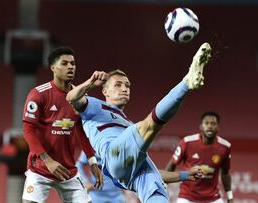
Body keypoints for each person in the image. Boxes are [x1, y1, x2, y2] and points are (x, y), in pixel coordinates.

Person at [66, 42, 212, 203]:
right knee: (149, 125)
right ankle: (187, 83)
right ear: (105, 91)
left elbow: (155, 172)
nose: (124, 89)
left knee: (156, 187)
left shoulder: (129, 125)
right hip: (112, 154)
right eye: (118, 85)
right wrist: (90, 83)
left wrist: (185, 175)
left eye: (127, 85)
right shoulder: (95, 106)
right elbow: (71, 98)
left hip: (128, 176)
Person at [22, 47, 103, 203]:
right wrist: (48, 160)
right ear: (53, 68)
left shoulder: (81, 97)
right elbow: (28, 130)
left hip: (68, 170)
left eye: (72, 63)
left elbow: (81, 131)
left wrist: (92, 162)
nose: (70, 67)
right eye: (65, 63)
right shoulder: (38, 94)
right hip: (40, 168)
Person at [165, 112, 233, 203]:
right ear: (201, 126)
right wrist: (163, 187)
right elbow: (172, 165)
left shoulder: (225, 146)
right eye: (206, 123)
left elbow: (225, 173)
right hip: (187, 196)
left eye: (213, 124)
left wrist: (230, 197)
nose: (210, 126)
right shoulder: (187, 142)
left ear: (218, 127)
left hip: (213, 197)